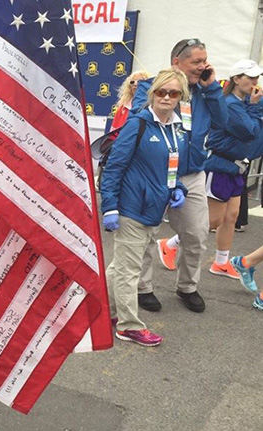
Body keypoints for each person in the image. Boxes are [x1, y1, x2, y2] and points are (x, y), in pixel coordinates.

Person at [133, 39, 227, 314]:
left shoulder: (206, 92)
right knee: (147, 234)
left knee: (197, 234)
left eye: (204, 60)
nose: (203, 66)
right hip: (154, 174)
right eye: (196, 62)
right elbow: (137, 121)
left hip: (191, 174)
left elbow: (223, 122)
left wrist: (213, 90)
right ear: (177, 62)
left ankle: (187, 286)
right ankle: (143, 288)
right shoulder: (151, 86)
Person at [101, 68, 190, 347]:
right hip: (131, 208)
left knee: (121, 267)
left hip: (154, 208)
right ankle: (128, 326)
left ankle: (104, 311)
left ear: (181, 97)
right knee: (130, 270)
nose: (166, 97)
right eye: (161, 91)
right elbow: (115, 165)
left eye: (173, 93)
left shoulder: (177, 127)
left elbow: (171, 166)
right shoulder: (138, 123)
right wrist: (110, 207)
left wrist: (178, 189)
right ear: (152, 93)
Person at [202, 59, 263, 278]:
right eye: (250, 77)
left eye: (257, 77)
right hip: (220, 164)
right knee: (214, 219)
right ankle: (170, 244)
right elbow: (249, 132)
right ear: (236, 79)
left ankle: (220, 262)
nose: (255, 82)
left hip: (236, 166)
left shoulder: (244, 102)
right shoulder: (230, 104)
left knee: (232, 216)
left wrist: (256, 105)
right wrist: (256, 107)